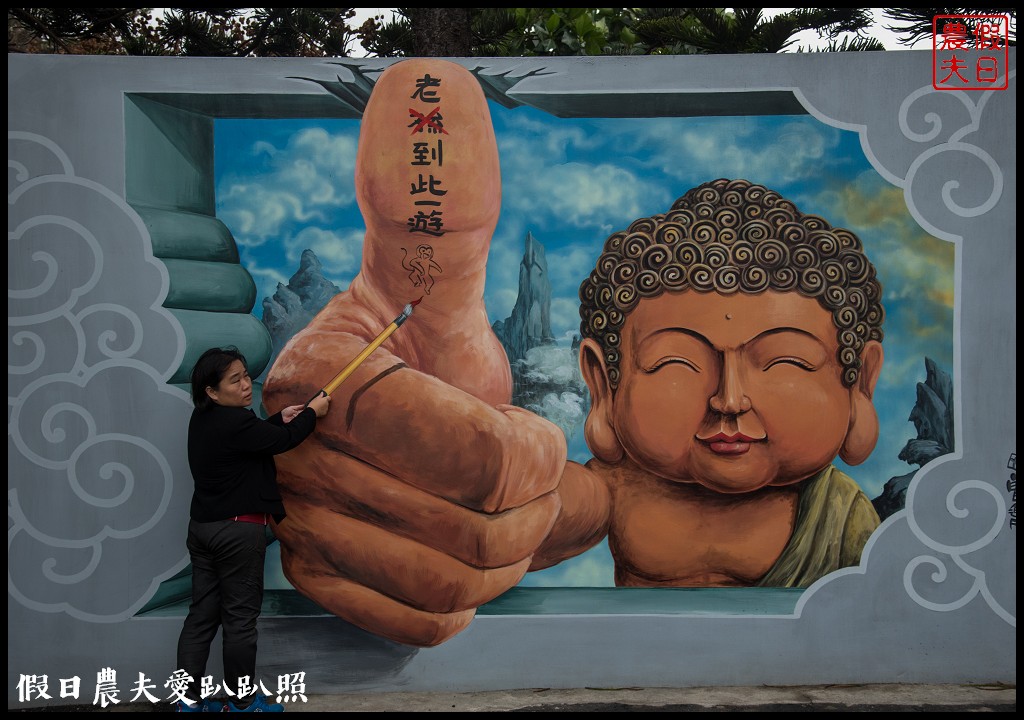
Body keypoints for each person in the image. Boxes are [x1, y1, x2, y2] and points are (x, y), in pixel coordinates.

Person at [262, 59, 882, 649]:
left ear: (860, 387)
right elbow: (562, 506)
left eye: (787, 363)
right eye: (675, 364)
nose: (728, 401)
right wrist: (452, 493)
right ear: (603, 385)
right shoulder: (625, 489)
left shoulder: (841, 519)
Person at [176, 346, 330, 712]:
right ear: (212, 391)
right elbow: (280, 443)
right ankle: (243, 704)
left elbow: (254, 438)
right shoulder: (236, 422)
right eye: (235, 380)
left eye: (246, 376)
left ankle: (187, 704)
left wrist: (280, 417)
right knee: (240, 622)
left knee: (201, 618)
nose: (246, 385)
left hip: (203, 530)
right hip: (237, 534)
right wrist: (311, 414)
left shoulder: (205, 418)